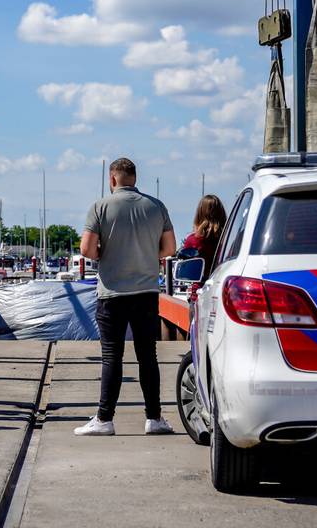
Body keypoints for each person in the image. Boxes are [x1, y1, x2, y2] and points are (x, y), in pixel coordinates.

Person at [74, 157, 177, 437]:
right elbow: (169, 248)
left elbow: (86, 249)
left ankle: (104, 419)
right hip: (145, 292)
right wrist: (146, 255)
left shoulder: (100, 207)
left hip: (112, 293)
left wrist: (103, 254)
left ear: (112, 179)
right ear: (134, 178)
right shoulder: (156, 206)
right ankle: (154, 419)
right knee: (148, 357)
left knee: (112, 357)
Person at [181, 194, 226, 279]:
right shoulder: (228, 239)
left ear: (199, 214)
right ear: (222, 214)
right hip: (222, 284)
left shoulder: (192, 240)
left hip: (200, 287)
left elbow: (186, 271)